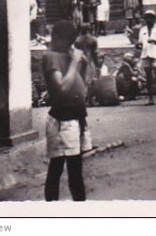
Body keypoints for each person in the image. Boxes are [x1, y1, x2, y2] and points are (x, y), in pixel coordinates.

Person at [42, 20, 91, 201]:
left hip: (76, 118)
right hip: (62, 121)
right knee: (58, 168)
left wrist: (83, 65)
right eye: (68, 41)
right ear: (58, 38)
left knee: (76, 170)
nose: (70, 45)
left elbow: (80, 85)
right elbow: (62, 88)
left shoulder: (67, 56)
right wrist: (74, 63)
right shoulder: (51, 57)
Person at [136, 10, 156, 106]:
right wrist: (138, 45)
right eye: (147, 18)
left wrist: (154, 41)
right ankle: (151, 99)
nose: (149, 19)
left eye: (151, 17)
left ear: (154, 18)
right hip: (145, 55)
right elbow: (140, 43)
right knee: (148, 78)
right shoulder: (143, 30)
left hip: (155, 54)